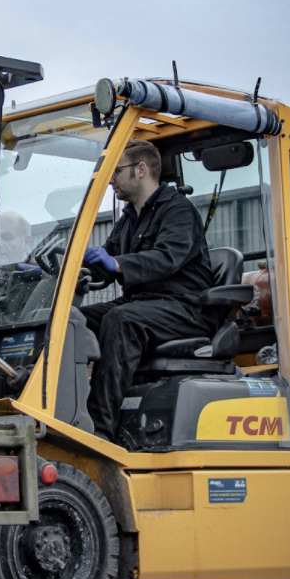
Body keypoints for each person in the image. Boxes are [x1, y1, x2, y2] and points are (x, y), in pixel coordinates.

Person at [81, 139, 218, 442]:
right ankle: (53, 408)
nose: (111, 180)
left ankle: (98, 432)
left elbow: (166, 258)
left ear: (140, 170)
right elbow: (105, 265)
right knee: (72, 318)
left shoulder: (178, 211)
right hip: (143, 304)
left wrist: (116, 263)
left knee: (121, 319)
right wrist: (64, 271)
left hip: (184, 308)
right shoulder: (128, 219)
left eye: (116, 171)